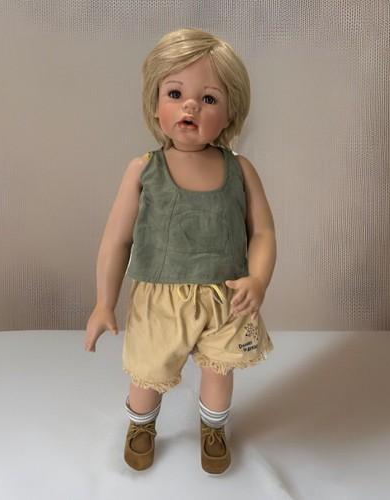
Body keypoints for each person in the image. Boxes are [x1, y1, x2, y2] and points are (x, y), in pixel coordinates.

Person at [84, 27, 276, 475]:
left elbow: (264, 232)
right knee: (148, 374)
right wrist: (104, 301)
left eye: (209, 99)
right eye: (175, 93)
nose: (191, 106)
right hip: (159, 298)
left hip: (227, 297)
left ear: (229, 113)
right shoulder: (144, 170)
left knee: (219, 372)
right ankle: (141, 424)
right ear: (155, 104)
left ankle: (214, 428)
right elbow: (117, 239)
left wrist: (258, 279)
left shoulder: (240, 170)